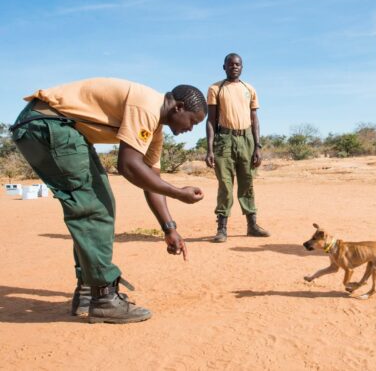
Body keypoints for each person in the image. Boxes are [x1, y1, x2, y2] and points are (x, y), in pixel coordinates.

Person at [10, 78, 207, 323]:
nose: (192, 128)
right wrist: (178, 192)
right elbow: (128, 165)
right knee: (95, 207)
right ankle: (103, 297)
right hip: (47, 124)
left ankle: (88, 289)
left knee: (97, 203)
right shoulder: (147, 105)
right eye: (193, 121)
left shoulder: (154, 130)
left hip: (53, 126)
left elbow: (150, 180)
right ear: (178, 107)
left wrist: (170, 228)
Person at [205, 53, 270, 242]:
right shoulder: (215, 88)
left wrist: (257, 146)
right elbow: (210, 120)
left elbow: (255, 120)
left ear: (242, 67)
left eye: (238, 64)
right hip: (224, 138)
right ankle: (222, 228)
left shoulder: (249, 88)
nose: (234, 67)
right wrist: (209, 149)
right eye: (231, 64)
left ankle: (252, 225)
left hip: (247, 139)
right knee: (225, 184)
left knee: (247, 182)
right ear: (224, 67)